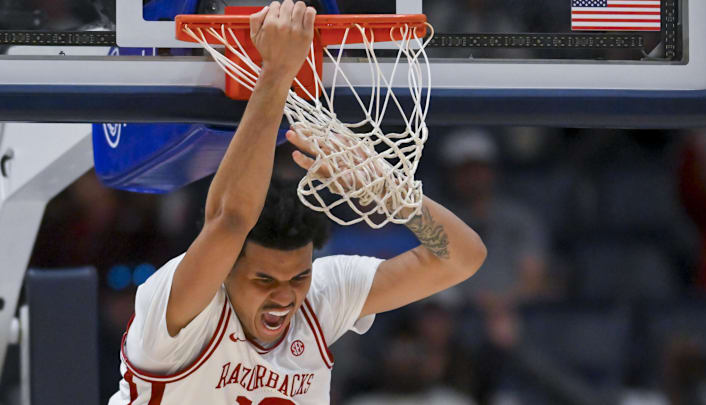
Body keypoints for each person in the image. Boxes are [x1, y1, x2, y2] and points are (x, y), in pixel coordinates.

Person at [109, 2, 487, 404]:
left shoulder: (321, 296)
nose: (286, 296)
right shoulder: (181, 307)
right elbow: (229, 221)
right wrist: (275, 73)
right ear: (224, 271)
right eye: (264, 280)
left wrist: (389, 192)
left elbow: (462, 258)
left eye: (298, 278)